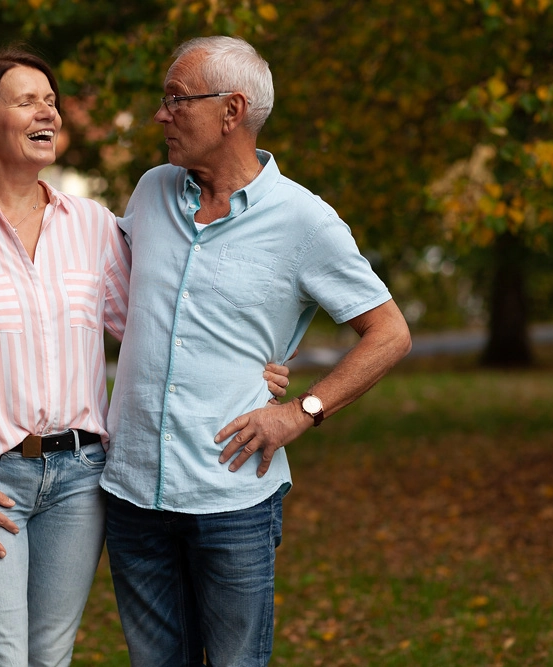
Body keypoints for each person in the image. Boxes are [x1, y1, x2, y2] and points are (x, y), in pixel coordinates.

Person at [0, 47, 289, 667]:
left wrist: (240, 365)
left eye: (50, 100)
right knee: (1, 655)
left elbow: (155, 324)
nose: (45, 110)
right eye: (26, 101)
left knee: (50, 655)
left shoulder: (93, 225)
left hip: (81, 478)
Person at [101, 36, 413, 666]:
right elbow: (122, 303)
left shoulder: (305, 221)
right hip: (133, 493)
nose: (161, 115)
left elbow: (391, 332)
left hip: (230, 498)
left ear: (231, 111)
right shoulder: (151, 191)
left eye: (176, 100)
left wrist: (301, 410)